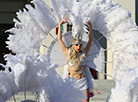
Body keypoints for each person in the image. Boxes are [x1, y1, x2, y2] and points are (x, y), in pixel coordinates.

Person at [58, 16, 101, 102]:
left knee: (86, 101)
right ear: (73, 45)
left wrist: (90, 26)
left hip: (83, 81)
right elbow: (59, 39)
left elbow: (90, 39)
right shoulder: (68, 53)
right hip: (71, 82)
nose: (79, 46)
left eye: (80, 44)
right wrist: (60, 25)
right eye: (76, 44)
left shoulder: (84, 53)